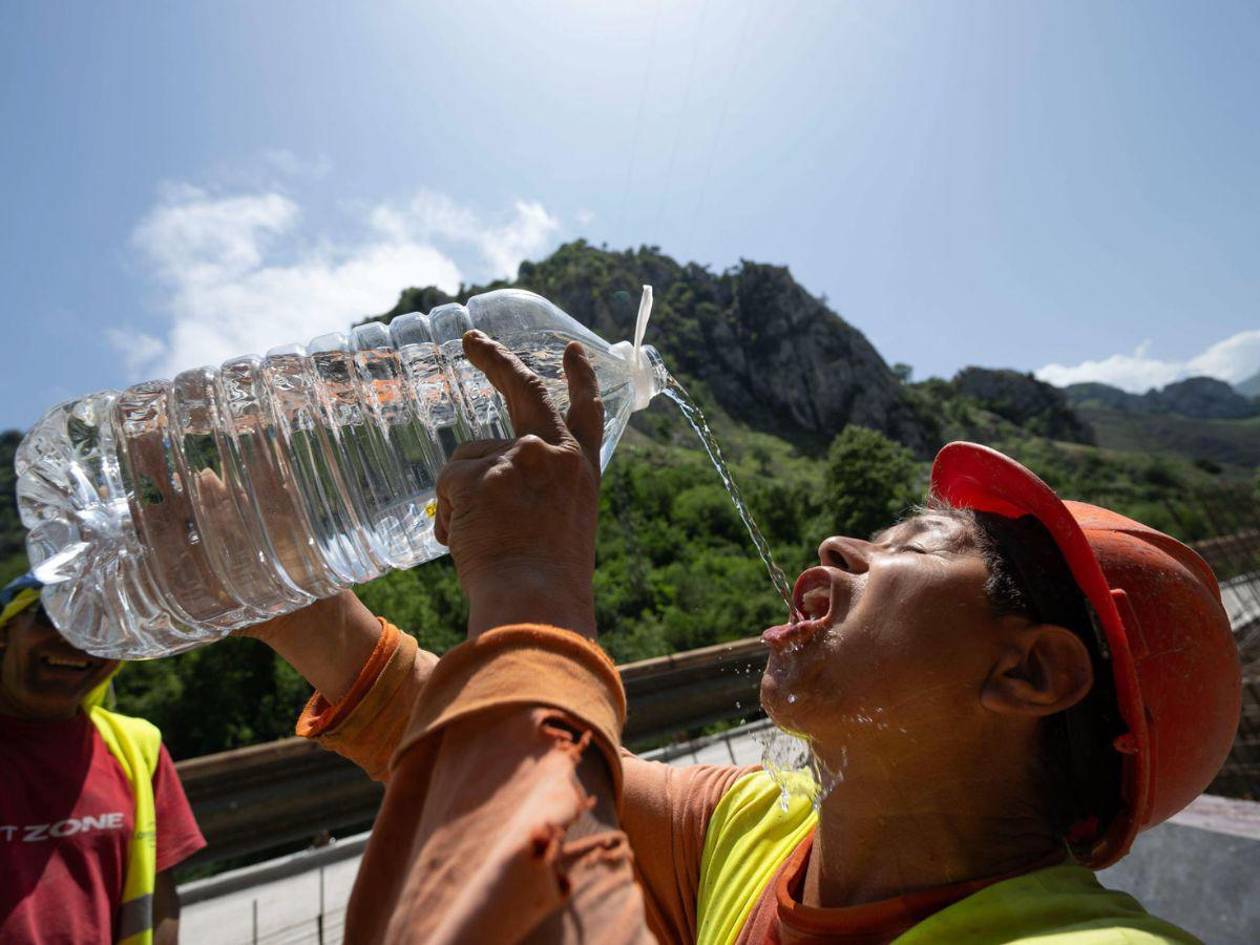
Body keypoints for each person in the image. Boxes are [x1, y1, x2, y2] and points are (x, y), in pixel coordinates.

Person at [244, 331, 1241, 944]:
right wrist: (279, 586)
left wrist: (530, 589)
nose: (835, 545)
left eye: (912, 543)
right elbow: (502, 758)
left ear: (1028, 671)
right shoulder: (758, 836)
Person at [0, 573, 206, 945]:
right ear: (6, 631)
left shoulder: (138, 748)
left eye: (101, 624)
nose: (76, 640)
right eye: (52, 616)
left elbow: (159, 902)